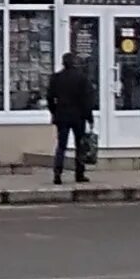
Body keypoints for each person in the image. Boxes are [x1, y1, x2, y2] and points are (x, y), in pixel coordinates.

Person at [46, 51, 96, 183]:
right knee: (80, 145)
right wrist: (89, 117)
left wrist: (54, 111)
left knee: (61, 146)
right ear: (75, 63)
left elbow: (50, 98)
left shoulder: (56, 78)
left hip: (62, 116)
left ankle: (57, 174)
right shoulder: (82, 78)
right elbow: (87, 99)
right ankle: (79, 173)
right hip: (78, 116)